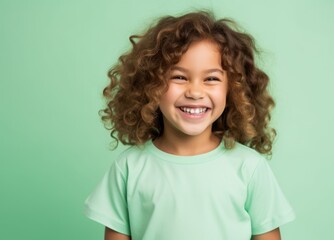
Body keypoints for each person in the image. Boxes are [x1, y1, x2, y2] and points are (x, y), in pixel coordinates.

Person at [84, 11, 295, 240]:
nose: (195, 92)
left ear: (232, 89)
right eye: (179, 77)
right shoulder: (129, 167)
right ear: (151, 85)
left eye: (211, 78)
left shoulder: (250, 168)